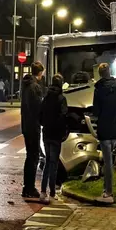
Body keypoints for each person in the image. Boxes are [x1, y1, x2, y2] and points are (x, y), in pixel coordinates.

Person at [92, 62, 116, 204]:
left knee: (107, 162)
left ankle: (108, 191)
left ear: (100, 74)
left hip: (104, 129)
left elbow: (96, 111)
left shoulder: (98, 89)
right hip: (115, 128)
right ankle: (107, 189)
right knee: (111, 161)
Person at [39, 74, 68, 204]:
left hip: (46, 133)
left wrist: (45, 124)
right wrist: (62, 131)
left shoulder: (46, 98)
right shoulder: (61, 99)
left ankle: (42, 191)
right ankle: (52, 192)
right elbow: (63, 116)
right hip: (56, 135)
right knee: (54, 163)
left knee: (47, 161)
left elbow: (40, 115)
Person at [20, 62, 45, 199]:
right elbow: (37, 108)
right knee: (33, 156)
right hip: (32, 126)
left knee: (30, 156)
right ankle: (29, 188)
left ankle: (27, 187)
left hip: (26, 125)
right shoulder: (35, 87)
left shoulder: (26, 85)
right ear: (40, 73)